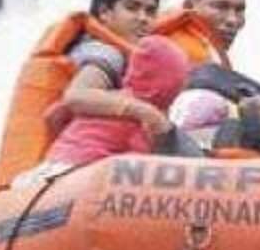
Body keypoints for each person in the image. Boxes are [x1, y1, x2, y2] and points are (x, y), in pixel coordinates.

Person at [0, 0, 173, 186]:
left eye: (150, 11)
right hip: (52, 176)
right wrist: (143, 111)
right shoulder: (106, 54)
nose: (143, 18)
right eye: (132, 7)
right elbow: (77, 96)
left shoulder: (98, 47)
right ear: (105, 12)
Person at [14, 36, 188, 187]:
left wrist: (63, 144)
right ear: (168, 89)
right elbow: (137, 166)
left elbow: (53, 114)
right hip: (77, 179)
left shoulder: (104, 99)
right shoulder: (145, 120)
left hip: (49, 167)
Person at [155, 0, 246, 68]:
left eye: (239, 9)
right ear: (188, 5)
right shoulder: (194, 58)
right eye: (220, 7)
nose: (232, 20)